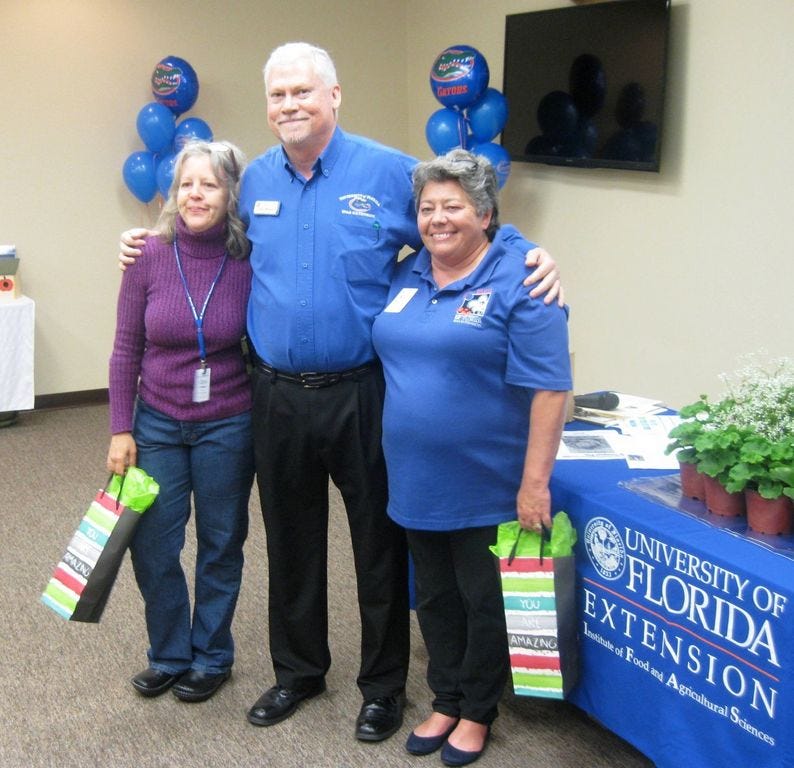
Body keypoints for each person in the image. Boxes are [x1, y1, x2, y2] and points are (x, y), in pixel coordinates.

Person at [118, 41, 563, 742]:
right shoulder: (254, 179)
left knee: (377, 543)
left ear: (334, 96)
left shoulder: (390, 172)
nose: (289, 105)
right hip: (273, 394)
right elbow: (192, 228)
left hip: (364, 391)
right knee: (290, 541)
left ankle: (382, 686)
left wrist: (529, 253)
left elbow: (464, 214)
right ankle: (298, 671)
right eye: (278, 95)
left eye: (303, 92)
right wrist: (137, 239)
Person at [371, 149, 571, 766]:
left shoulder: (523, 278)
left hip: (488, 480)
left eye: (453, 206)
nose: (438, 218)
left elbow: (551, 388)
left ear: (484, 213)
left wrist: (534, 483)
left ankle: (477, 710)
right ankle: (446, 696)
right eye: (427, 208)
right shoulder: (408, 274)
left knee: (483, 601)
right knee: (433, 596)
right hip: (414, 478)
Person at [107, 140, 254, 704]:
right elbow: (125, 348)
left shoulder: (247, 257)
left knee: (222, 542)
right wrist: (122, 427)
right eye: (187, 184)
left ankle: (212, 655)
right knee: (154, 546)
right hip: (158, 422)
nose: (196, 195)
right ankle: (169, 652)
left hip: (228, 423)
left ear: (229, 195)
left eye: (210, 185)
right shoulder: (147, 254)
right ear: (174, 193)